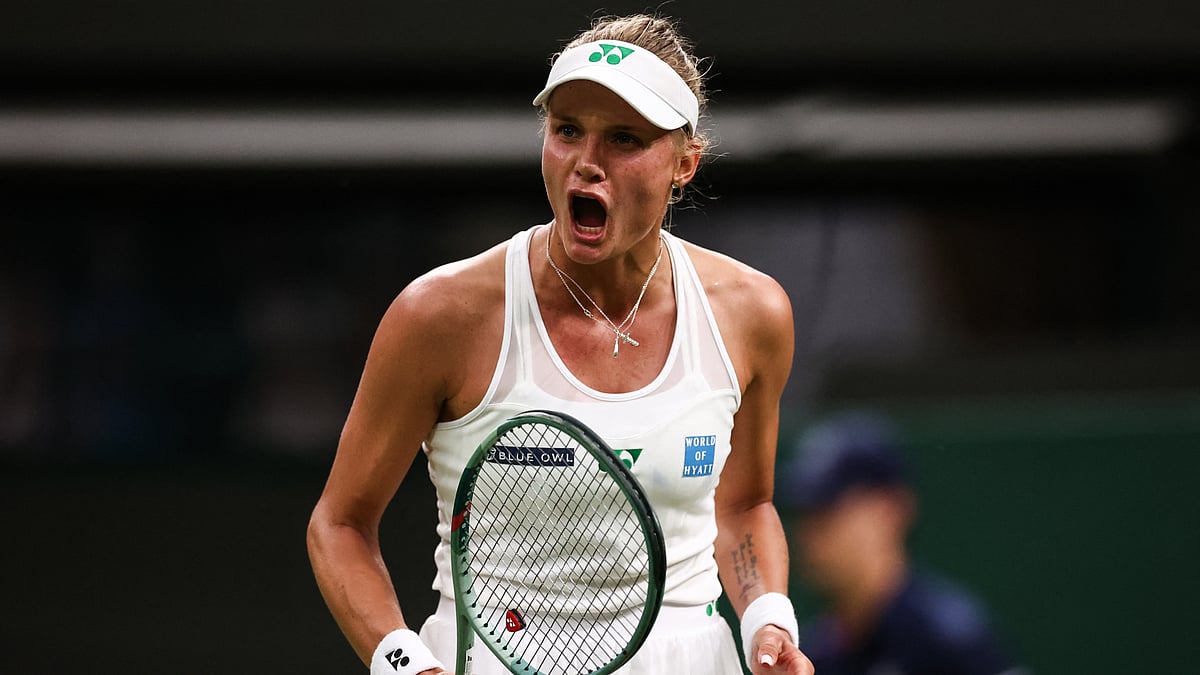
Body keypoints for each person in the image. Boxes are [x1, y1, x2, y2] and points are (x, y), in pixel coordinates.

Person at [306, 12, 814, 675]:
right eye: (566, 130)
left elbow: (745, 503)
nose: (586, 164)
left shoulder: (753, 312)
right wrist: (403, 662)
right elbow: (340, 523)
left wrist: (767, 618)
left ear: (684, 164)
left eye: (625, 138)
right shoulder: (441, 315)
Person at [780, 411, 1028, 675]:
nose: (808, 534)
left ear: (890, 511)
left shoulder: (951, 642)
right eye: (804, 514)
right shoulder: (816, 655)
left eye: (827, 510)